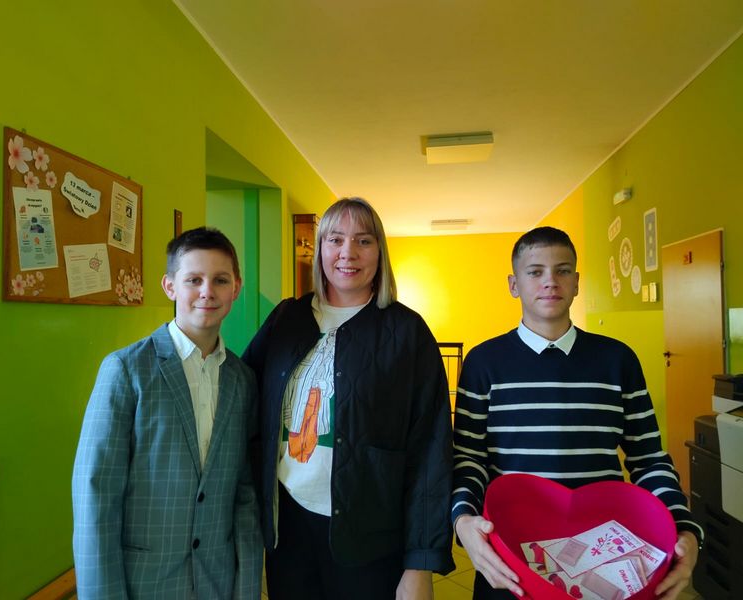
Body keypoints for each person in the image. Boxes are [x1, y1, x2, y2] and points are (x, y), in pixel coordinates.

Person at [451, 226, 702, 600]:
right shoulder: (483, 363)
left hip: (604, 557)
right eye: (535, 272)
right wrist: (463, 520)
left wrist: (683, 527)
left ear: (577, 282)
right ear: (514, 285)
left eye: (563, 270)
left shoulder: (617, 360)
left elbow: (648, 459)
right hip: (511, 556)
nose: (550, 281)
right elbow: (469, 459)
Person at [243, 197, 454, 600]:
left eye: (364, 241)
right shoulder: (287, 317)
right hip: (288, 526)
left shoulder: (407, 332)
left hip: (370, 536)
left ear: (380, 252)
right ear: (320, 248)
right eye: (335, 239)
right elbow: (243, 395)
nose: (348, 253)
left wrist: (420, 563)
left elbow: (431, 451)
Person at [72, 227, 262, 599]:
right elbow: (95, 497)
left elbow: (244, 494)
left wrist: (247, 589)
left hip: (217, 582)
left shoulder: (243, 380)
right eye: (194, 280)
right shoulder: (126, 370)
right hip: (143, 583)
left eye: (220, 280)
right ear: (170, 286)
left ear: (236, 288)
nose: (207, 291)